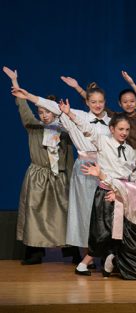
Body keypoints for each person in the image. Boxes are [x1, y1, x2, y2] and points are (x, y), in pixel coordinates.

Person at [59, 99, 136, 275]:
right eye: (120, 129)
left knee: (120, 230)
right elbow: (86, 128)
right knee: (104, 230)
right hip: (105, 192)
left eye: (127, 129)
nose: (124, 133)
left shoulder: (130, 150)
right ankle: (85, 263)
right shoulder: (103, 141)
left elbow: (129, 173)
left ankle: (111, 263)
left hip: (121, 193)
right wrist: (70, 113)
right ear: (112, 129)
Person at [9, 76, 76, 265]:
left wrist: (70, 177)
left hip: (59, 176)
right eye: (41, 111)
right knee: (34, 212)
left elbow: (70, 157)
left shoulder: (65, 132)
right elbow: (23, 108)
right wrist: (16, 84)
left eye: (48, 112)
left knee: (64, 212)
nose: (44, 115)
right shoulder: (34, 127)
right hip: (38, 175)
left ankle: (72, 252)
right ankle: (34, 252)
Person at [81, 160, 136, 280]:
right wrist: (100, 174)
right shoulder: (132, 189)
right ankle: (114, 260)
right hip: (133, 236)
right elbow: (116, 184)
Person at [60, 76, 136, 157]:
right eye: (125, 102)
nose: (129, 104)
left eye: (132, 101)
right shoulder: (116, 118)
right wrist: (77, 87)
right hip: (119, 157)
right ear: (120, 104)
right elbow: (95, 103)